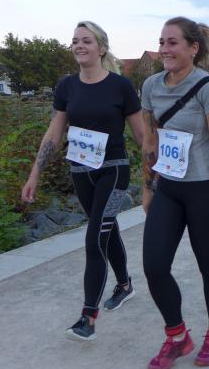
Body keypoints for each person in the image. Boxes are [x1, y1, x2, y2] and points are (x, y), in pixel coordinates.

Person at [22, 21, 144, 341]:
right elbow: (54, 133)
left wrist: (154, 173)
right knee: (106, 229)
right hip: (80, 171)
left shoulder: (120, 86)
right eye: (75, 40)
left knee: (94, 238)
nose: (79, 45)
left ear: (101, 48)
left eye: (87, 41)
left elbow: (141, 134)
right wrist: (35, 173)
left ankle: (88, 317)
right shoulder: (67, 86)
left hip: (113, 170)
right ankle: (125, 285)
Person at [140, 16, 209, 369]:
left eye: (172, 42)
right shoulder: (151, 86)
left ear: (193, 48)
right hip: (167, 187)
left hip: (203, 189)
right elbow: (150, 141)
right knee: (154, 266)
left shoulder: (208, 89)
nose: (164, 49)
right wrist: (147, 187)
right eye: (161, 42)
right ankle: (177, 336)